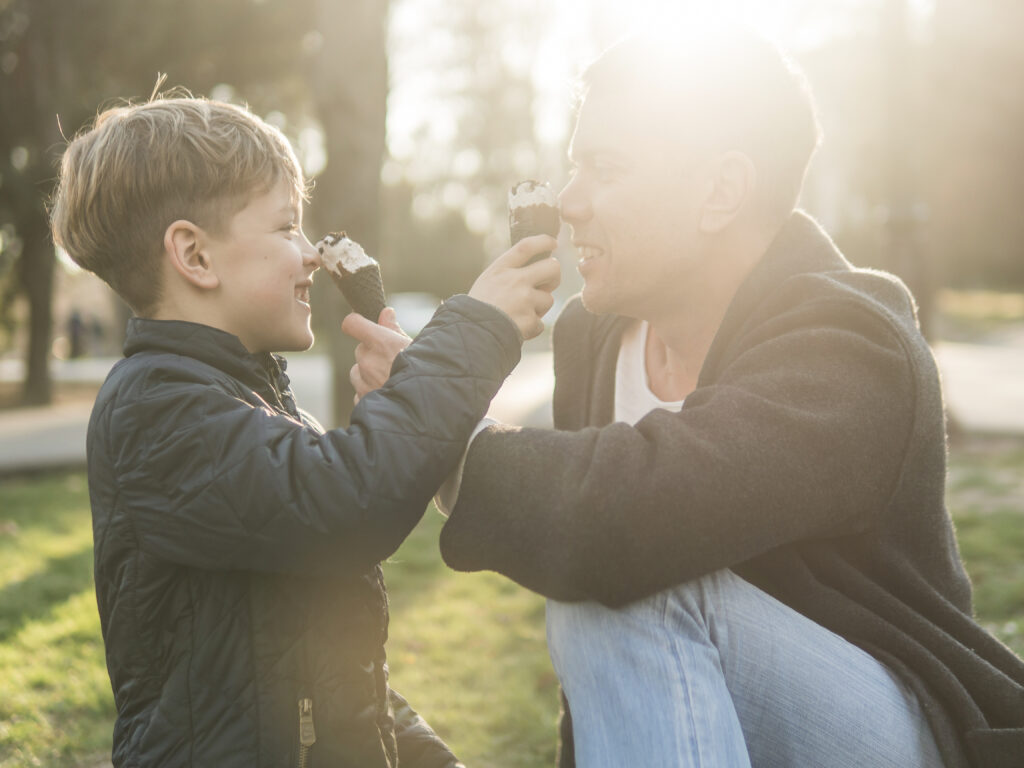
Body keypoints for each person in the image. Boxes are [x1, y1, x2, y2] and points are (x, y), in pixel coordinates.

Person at [345, 21, 1024, 768]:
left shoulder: (852, 342)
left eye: (605, 167)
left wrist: (446, 439)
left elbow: (631, 517)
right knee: (607, 588)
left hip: (896, 732)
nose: (569, 202)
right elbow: (616, 653)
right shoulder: (592, 340)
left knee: (635, 584)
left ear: (720, 190)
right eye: (574, 166)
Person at [48, 94, 559, 767]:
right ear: (195, 257)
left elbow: (330, 662)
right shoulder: (155, 410)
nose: (311, 253)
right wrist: (475, 331)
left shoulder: (253, 405)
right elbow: (346, 503)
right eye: (287, 227)